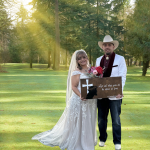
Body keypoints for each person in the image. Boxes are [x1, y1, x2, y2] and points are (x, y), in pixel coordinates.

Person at [32, 50, 97, 150]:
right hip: (79, 100)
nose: (82, 60)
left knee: (87, 120)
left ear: (87, 58)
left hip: (89, 101)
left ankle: (87, 141)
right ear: (77, 61)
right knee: (78, 122)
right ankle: (77, 142)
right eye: (79, 58)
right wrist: (81, 95)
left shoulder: (92, 70)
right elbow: (74, 87)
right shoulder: (76, 71)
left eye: (84, 57)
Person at [95, 35, 127, 150]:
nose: (107, 47)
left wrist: (120, 91)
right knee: (101, 119)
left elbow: (122, 76)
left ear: (113, 46)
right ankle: (102, 139)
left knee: (116, 120)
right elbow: (96, 77)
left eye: (109, 45)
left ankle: (117, 141)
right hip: (102, 94)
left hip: (115, 95)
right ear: (102, 47)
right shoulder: (98, 60)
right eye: (105, 45)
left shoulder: (120, 59)